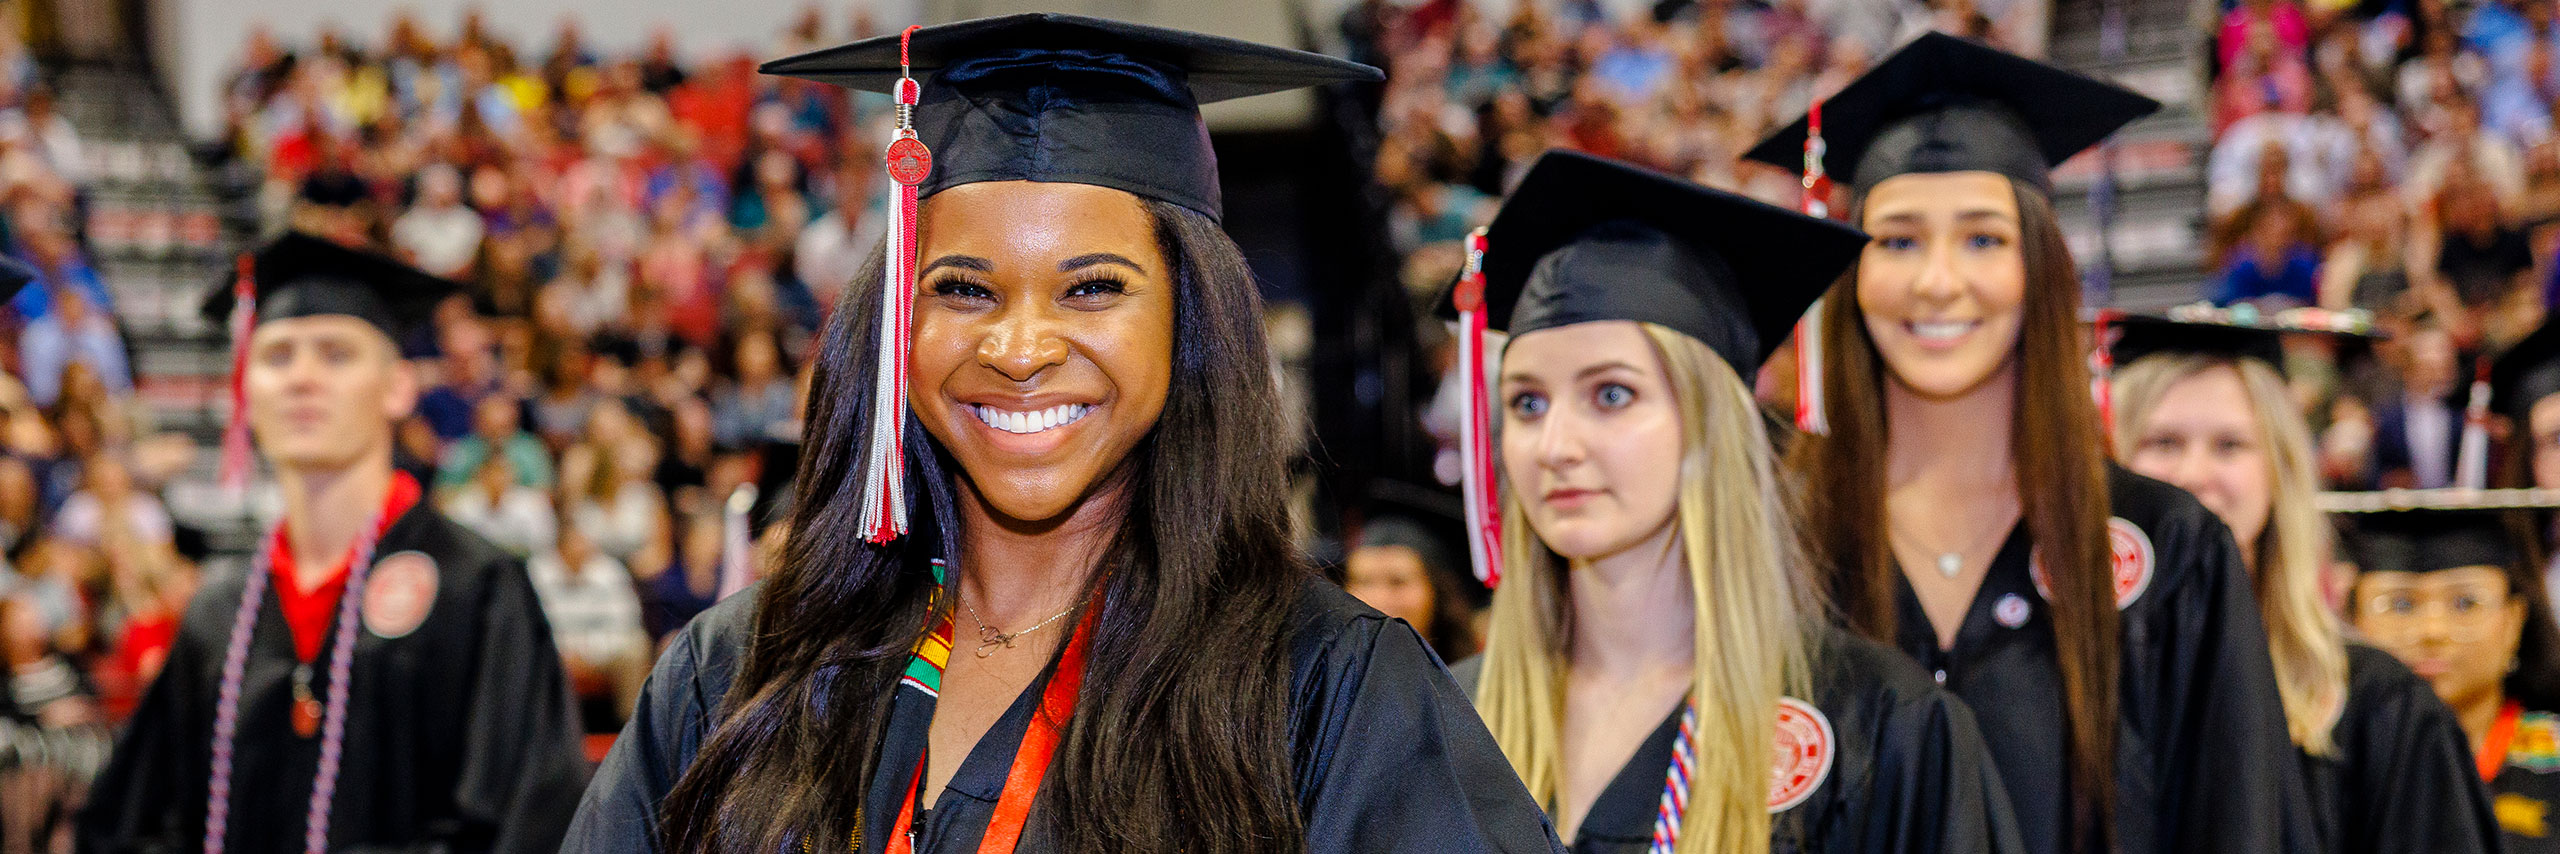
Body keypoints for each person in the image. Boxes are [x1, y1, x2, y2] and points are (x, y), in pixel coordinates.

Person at [564, 15, 1559, 854]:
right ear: (895, 322)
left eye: (1092, 287)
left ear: (1189, 318)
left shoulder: (1323, 687)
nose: (1020, 345)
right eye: (962, 288)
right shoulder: (740, 672)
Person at [1749, 33, 2301, 854]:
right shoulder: (1776, 539)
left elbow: (2243, 823)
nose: (1938, 280)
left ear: (2039, 267)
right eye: (1898, 240)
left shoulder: (2168, 549)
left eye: (1982, 238)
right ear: (1851, 271)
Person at [1451, 150, 2018, 853]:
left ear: (1709, 423)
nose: (1556, 444)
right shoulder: (1448, 721)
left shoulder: (1875, 726)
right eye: (1528, 402)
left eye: (1612, 394)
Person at [80, 234, 588, 854]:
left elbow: (527, 822)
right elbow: (128, 827)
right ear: (247, 390)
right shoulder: (218, 618)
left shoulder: (477, 589)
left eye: (336, 353)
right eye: (277, 356)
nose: (302, 378)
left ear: (399, 387)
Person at [2106, 310, 2497, 853]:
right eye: (2163, 443)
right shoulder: (2061, 693)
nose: (2195, 475)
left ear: (2279, 471)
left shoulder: (2379, 710)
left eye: (2230, 446)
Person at [2335, 494, 2560, 854]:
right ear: (2352, 621)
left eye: (2465, 602)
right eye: (2401, 604)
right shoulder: (2329, 763)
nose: (2432, 630)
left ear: (2514, 622)